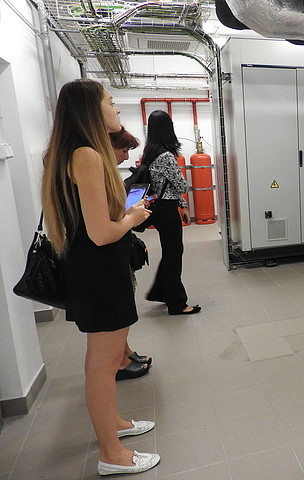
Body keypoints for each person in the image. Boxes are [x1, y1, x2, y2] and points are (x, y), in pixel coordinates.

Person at [41, 78, 160, 475]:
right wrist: (132, 217)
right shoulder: (87, 155)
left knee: (103, 360)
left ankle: (115, 425)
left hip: (92, 269)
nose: (117, 108)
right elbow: (102, 233)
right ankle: (112, 454)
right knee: (104, 364)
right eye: (111, 102)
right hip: (99, 270)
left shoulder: (69, 153)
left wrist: (123, 215)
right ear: (92, 110)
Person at [141, 110, 201, 315]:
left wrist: (182, 205)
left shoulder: (150, 154)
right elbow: (181, 185)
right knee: (174, 254)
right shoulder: (166, 156)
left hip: (159, 207)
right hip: (166, 210)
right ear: (168, 129)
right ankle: (177, 303)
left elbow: (166, 186)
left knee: (170, 252)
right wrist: (182, 196)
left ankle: (160, 292)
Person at [109, 127, 152, 381]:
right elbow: (103, 227)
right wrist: (131, 217)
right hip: (106, 257)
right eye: (123, 150)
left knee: (121, 311)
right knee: (116, 314)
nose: (126, 157)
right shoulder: (92, 171)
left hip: (116, 251)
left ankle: (124, 353)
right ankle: (119, 361)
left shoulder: (106, 173)